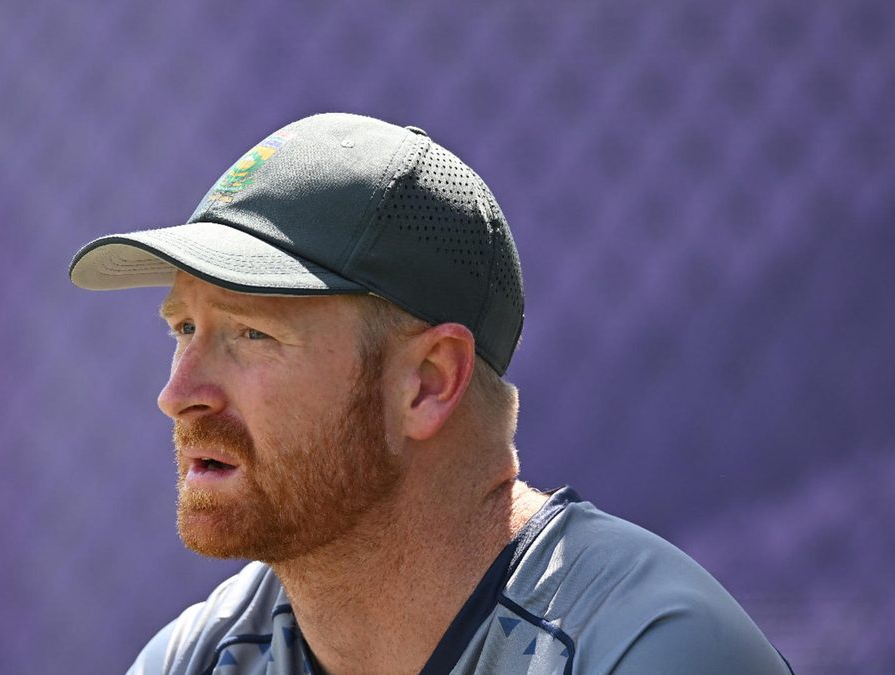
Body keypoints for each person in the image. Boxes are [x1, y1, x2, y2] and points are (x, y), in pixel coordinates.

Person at [69, 113, 791, 674]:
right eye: (184, 326)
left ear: (427, 382)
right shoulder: (197, 659)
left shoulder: (645, 651)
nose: (178, 392)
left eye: (251, 334)